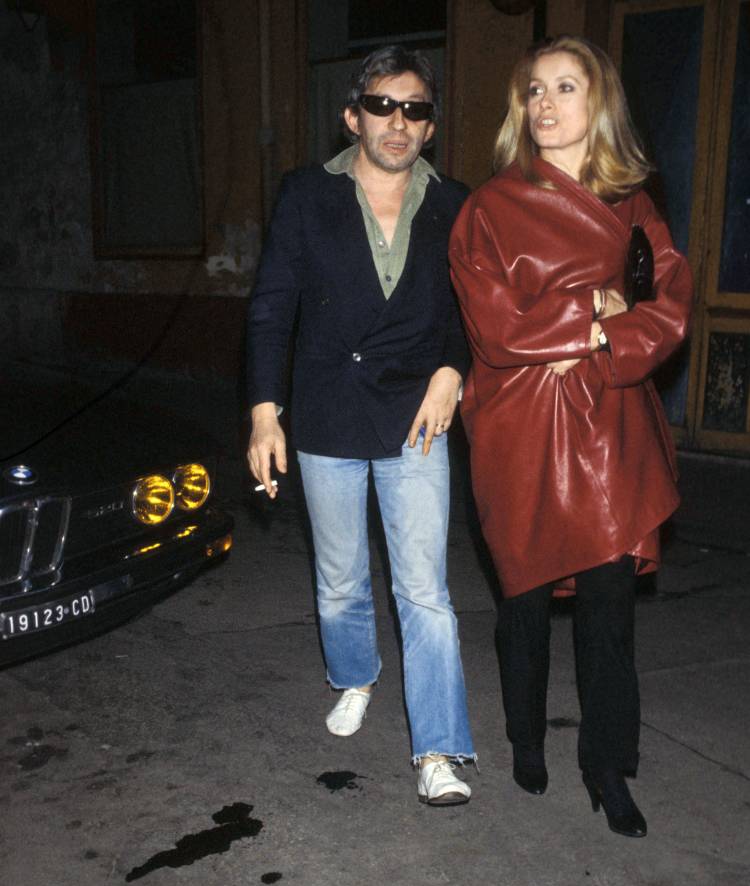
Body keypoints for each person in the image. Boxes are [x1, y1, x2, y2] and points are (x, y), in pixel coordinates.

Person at [449, 35, 692, 836]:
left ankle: (607, 766)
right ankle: (525, 736)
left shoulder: (634, 206)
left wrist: (608, 340)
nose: (545, 104)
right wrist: (589, 313)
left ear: (599, 101)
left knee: (608, 608)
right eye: (534, 90)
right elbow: (496, 327)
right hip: (519, 425)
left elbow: (669, 306)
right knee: (521, 601)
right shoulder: (489, 208)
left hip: (610, 423)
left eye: (564, 87)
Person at [246, 45, 475, 805]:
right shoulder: (307, 193)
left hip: (416, 414)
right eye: (382, 105)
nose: (397, 121)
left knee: (425, 591)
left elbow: (472, 308)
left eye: (414, 109)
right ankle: (354, 676)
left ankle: (437, 749)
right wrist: (264, 412)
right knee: (341, 577)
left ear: (429, 126)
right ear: (353, 116)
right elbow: (272, 306)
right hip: (327, 411)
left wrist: (453, 369)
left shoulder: (455, 203)